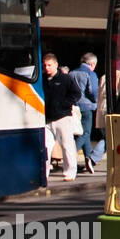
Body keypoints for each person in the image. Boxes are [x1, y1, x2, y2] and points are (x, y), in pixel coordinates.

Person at [42, 53, 79, 182]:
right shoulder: (42, 79)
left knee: (66, 145)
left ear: (56, 65)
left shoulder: (65, 79)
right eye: (45, 65)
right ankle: (44, 172)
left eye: (49, 65)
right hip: (47, 119)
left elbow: (76, 94)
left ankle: (70, 171)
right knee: (45, 146)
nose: (47, 68)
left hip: (62, 117)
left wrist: (63, 105)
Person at [69, 53, 104, 174]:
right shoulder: (90, 73)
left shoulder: (72, 73)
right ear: (92, 64)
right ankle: (71, 154)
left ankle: (88, 160)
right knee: (85, 133)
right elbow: (93, 91)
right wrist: (95, 101)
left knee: (84, 134)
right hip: (87, 106)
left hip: (74, 106)